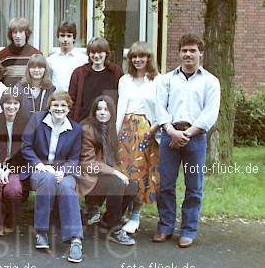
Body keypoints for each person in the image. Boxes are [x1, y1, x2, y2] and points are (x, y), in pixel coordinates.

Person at [153, 33, 220, 248]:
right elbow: (159, 107)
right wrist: (172, 132)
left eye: (192, 50)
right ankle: (165, 226)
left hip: (195, 140)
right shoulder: (167, 79)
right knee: (165, 185)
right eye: (184, 50)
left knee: (194, 186)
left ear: (201, 53)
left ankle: (188, 230)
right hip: (169, 137)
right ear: (179, 53)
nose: (188, 54)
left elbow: (210, 113)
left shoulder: (210, 81)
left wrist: (187, 134)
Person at [20, 91, 84, 263]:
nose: (59, 108)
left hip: (63, 170)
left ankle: (75, 239)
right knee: (47, 180)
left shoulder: (76, 129)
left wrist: (63, 171)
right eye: (55, 105)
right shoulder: (37, 120)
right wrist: (40, 165)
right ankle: (41, 232)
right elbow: (26, 147)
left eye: (63, 105)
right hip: (39, 167)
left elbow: (74, 158)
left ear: (69, 108)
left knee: (66, 187)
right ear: (49, 106)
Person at [79, 95, 138, 246]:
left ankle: (106, 222)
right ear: (94, 112)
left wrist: (119, 173)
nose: (102, 113)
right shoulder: (87, 129)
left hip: (102, 175)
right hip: (87, 177)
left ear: (112, 112)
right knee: (116, 183)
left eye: (106, 109)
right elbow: (87, 164)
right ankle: (115, 228)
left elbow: (113, 159)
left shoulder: (110, 128)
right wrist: (114, 173)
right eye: (99, 109)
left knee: (132, 185)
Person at [115, 42, 161, 234]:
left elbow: (160, 108)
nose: (138, 60)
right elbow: (120, 108)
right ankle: (122, 211)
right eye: (134, 57)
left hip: (147, 131)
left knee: (142, 173)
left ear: (149, 58)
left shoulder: (158, 80)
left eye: (142, 56)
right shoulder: (125, 80)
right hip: (126, 131)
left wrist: (155, 129)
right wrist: (115, 133)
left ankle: (136, 215)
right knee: (125, 172)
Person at [0, 89, 29, 235]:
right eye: (8, 103)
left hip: (15, 166)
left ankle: (11, 221)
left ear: (19, 105)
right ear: (2, 104)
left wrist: (9, 169)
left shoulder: (25, 122)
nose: (11, 107)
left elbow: (25, 151)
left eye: (15, 103)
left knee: (14, 190)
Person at [68, 36, 123, 122]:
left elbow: (121, 99)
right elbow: (71, 100)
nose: (96, 56)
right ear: (89, 54)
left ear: (106, 53)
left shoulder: (115, 72)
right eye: (93, 52)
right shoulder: (79, 73)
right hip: (84, 124)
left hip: (108, 125)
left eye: (100, 52)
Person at [0, 17, 41, 86]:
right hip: (8, 95)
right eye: (15, 32)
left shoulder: (36, 55)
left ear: (26, 33)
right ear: (10, 34)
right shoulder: (1, 55)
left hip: (30, 95)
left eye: (21, 32)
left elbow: (41, 79)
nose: (17, 36)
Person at [47, 22, 86, 92]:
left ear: (74, 38)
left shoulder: (82, 59)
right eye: (62, 36)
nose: (65, 39)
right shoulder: (51, 60)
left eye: (69, 36)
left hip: (75, 99)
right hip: (56, 99)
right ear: (58, 37)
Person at [15, 54, 56, 120]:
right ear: (28, 69)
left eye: (40, 68)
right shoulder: (19, 87)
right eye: (33, 67)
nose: (36, 70)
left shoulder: (51, 89)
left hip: (43, 127)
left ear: (45, 69)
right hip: (23, 127)